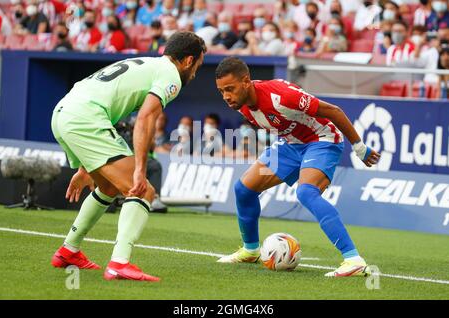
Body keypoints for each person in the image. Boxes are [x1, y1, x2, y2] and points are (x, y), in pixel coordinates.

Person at [50, 31, 206, 282]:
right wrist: (139, 171)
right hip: (85, 118)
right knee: (143, 191)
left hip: (63, 112)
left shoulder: (148, 63)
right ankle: (119, 263)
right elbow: (145, 119)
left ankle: (69, 250)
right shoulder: (171, 76)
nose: (195, 73)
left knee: (109, 185)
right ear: (188, 61)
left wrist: (84, 168)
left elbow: (109, 99)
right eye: (197, 66)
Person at [214, 57, 380, 277]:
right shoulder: (241, 104)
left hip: (322, 141)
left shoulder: (282, 96)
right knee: (243, 189)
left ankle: (353, 260)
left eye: (230, 89)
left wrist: (359, 148)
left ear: (246, 81)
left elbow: (334, 111)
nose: (226, 96)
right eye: (221, 91)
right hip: (290, 145)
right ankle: (251, 250)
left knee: (306, 192)